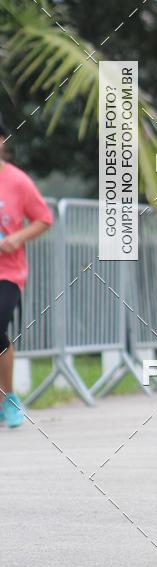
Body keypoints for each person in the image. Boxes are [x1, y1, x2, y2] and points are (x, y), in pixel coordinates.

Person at [0, 114, 53, 426]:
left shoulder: (17, 181)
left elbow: (44, 218)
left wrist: (17, 237)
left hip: (8, 273)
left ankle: (9, 397)